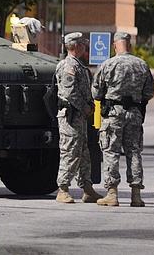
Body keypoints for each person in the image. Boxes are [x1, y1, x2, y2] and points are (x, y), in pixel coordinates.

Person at [92, 32, 154, 207]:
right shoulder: (142, 65)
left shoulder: (108, 65)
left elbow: (96, 92)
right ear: (130, 45)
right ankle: (136, 195)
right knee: (134, 152)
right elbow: (149, 92)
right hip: (134, 114)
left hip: (113, 113)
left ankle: (112, 194)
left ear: (114, 45)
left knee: (111, 152)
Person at [54, 32, 103, 204]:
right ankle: (63, 189)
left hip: (79, 117)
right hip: (71, 116)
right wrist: (85, 107)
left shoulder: (78, 65)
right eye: (82, 44)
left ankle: (87, 189)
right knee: (70, 151)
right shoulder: (68, 65)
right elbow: (69, 92)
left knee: (83, 152)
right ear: (75, 46)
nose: (85, 47)